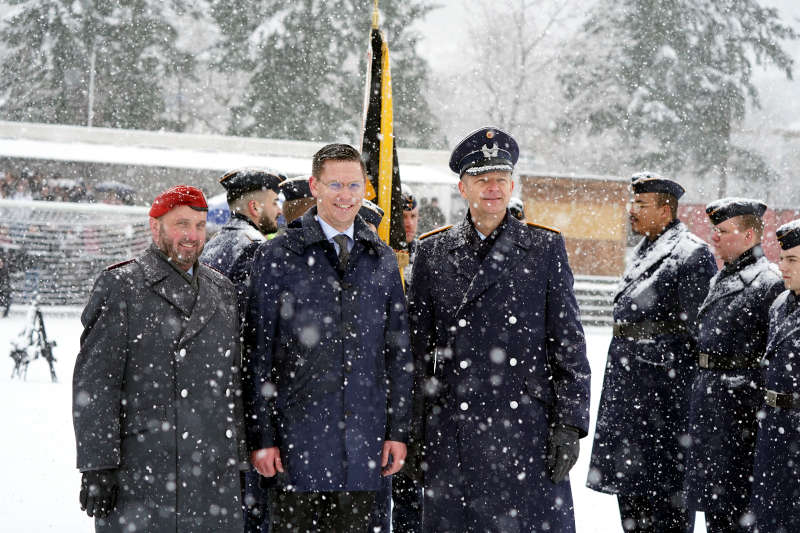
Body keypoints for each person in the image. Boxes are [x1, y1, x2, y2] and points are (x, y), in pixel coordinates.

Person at [408, 126, 590, 532]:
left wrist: (569, 424)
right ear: (462, 187)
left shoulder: (544, 249)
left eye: (500, 179)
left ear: (511, 185)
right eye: (481, 179)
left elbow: (569, 343)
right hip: (454, 428)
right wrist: (413, 426)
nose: (493, 188)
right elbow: (415, 351)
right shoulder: (433, 251)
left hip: (526, 429)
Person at [243, 143, 413, 533]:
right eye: (335, 184)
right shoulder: (277, 256)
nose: (345, 195)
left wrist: (397, 432)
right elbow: (258, 355)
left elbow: (397, 356)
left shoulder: (381, 258)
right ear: (314, 186)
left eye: (354, 185)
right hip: (296, 448)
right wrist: (262, 437)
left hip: (365, 449)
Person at [72, 184, 248, 532]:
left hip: (211, 471)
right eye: (182, 224)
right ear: (156, 228)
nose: (192, 236)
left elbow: (232, 382)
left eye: (199, 225)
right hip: (145, 468)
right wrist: (97, 465)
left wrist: (238, 460)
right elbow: (95, 384)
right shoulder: (121, 285)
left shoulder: (223, 289)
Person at [587, 172, 717, 533]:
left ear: (666, 209)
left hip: (664, 410)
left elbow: (699, 336)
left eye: (642, 204)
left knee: (665, 511)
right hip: (633, 406)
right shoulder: (646, 248)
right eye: (633, 202)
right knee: (632, 506)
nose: (632, 210)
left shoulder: (690, 255)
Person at [682, 198, 783, 532]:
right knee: (717, 513)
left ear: (750, 236)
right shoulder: (723, 278)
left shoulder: (768, 283)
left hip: (741, 419)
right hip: (715, 415)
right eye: (714, 230)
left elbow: (772, 358)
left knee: (736, 514)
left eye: (723, 231)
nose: (714, 237)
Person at [199, 169, 282, 533]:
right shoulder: (254, 247)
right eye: (273, 203)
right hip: (244, 390)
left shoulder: (215, 244)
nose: (278, 211)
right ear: (253, 205)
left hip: (213, 386)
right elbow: (255, 329)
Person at [749, 219, 800, 532]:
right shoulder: (781, 304)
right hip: (775, 430)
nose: (783, 267)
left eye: (792, 260)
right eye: (781, 258)